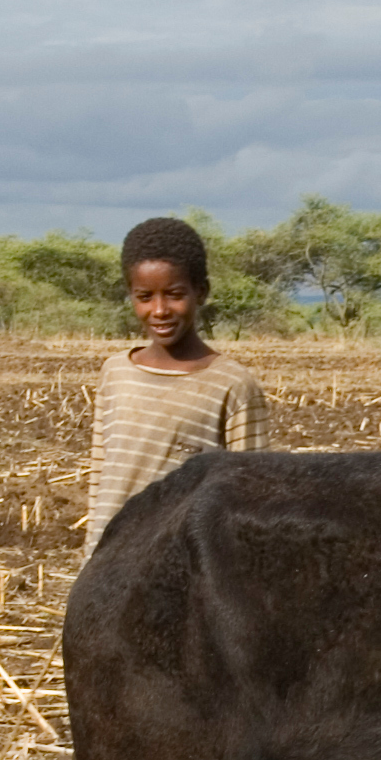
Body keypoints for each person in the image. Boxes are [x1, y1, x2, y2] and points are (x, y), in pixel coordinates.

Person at [81, 216, 266, 554]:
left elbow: (252, 497)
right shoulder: (115, 373)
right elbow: (100, 476)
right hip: (110, 562)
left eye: (175, 295)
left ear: (202, 292)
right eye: (145, 296)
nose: (160, 309)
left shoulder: (232, 384)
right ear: (131, 296)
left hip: (183, 569)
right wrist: (91, 556)